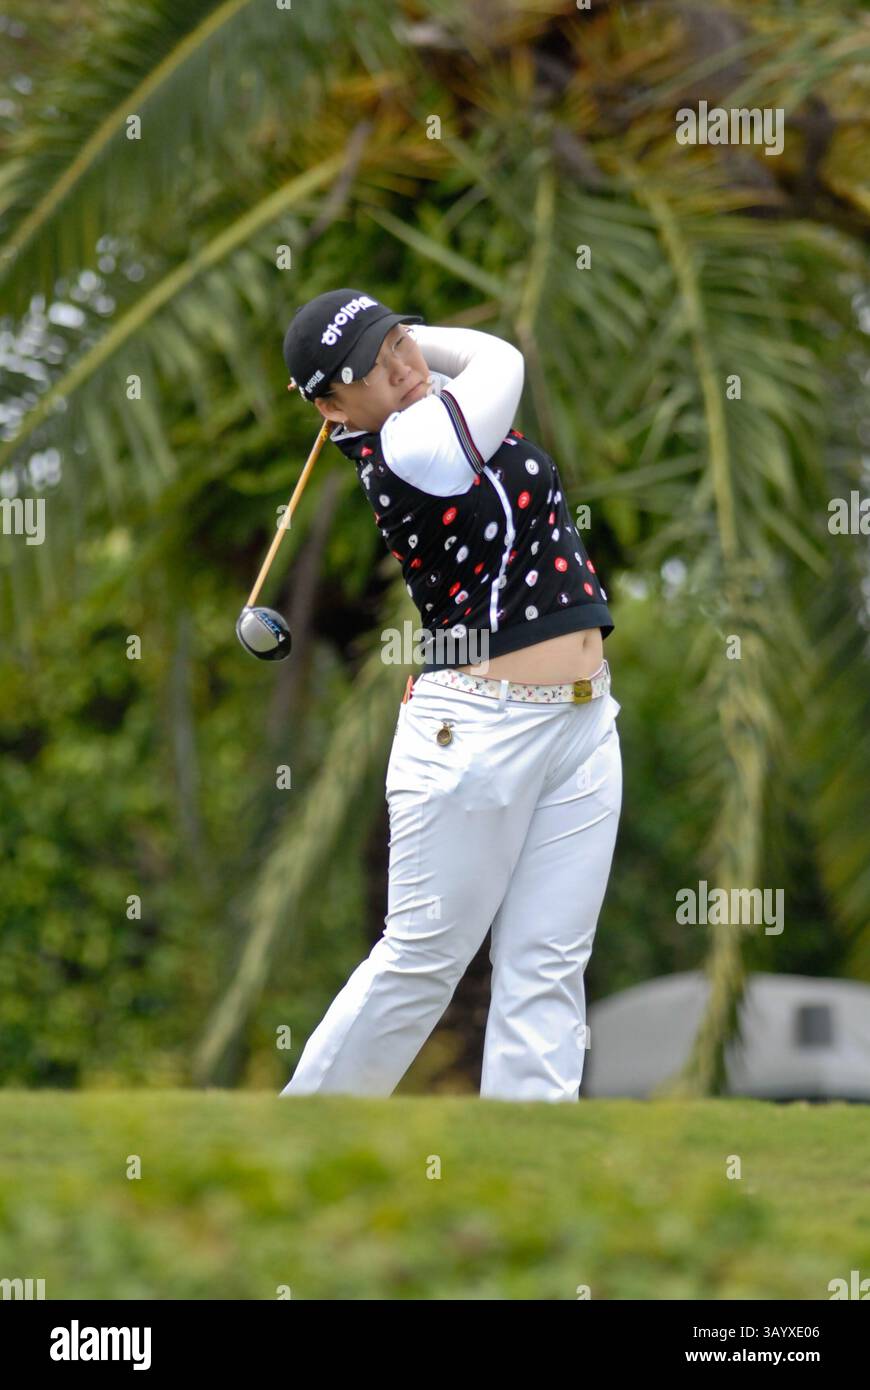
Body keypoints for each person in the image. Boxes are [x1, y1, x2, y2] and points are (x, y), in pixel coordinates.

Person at [279, 288, 622, 1102]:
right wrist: (420, 340)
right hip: (477, 735)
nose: (402, 367)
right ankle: (294, 1134)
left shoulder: (430, 409)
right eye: (371, 367)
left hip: (583, 722)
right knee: (422, 962)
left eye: (399, 342)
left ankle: (528, 1165)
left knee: (547, 966)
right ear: (333, 408)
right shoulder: (410, 446)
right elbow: (500, 357)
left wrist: (390, 342)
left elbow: (466, 367)